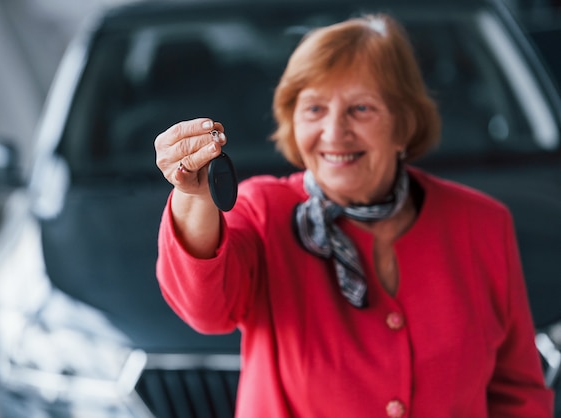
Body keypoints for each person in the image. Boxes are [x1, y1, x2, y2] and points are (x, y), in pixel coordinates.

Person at [154, 13, 553, 418]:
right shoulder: (261, 212)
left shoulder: (482, 224)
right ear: (293, 121)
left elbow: (518, 394)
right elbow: (205, 309)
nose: (333, 132)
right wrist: (194, 194)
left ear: (404, 123)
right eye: (314, 109)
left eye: (360, 108)